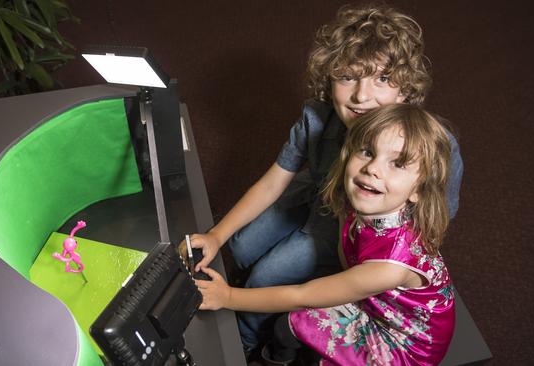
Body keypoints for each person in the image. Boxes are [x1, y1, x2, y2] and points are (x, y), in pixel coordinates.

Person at [185, 3, 463, 351]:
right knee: (240, 246)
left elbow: (434, 221)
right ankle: (254, 295)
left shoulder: (436, 147)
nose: (362, 96)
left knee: (265, 276)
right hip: (318, 192)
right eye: (348, 76)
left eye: (383, 79)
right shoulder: (317, 118)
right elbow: (274, 180)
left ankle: (249, 340)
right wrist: (215, 235)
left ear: (405, 90)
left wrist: (364, 275)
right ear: (329, 80)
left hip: (364, 226)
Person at [196, 103, 456, 365]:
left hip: (403, 344)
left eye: (397, 163)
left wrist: (227, 297)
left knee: (292, 324)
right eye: (367, 151)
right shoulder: (363, 201)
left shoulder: (391, 267)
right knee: (288, 321)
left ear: (419, 191)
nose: (372, 168)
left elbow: (302, 296)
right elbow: (348, 254)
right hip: (378, 303)